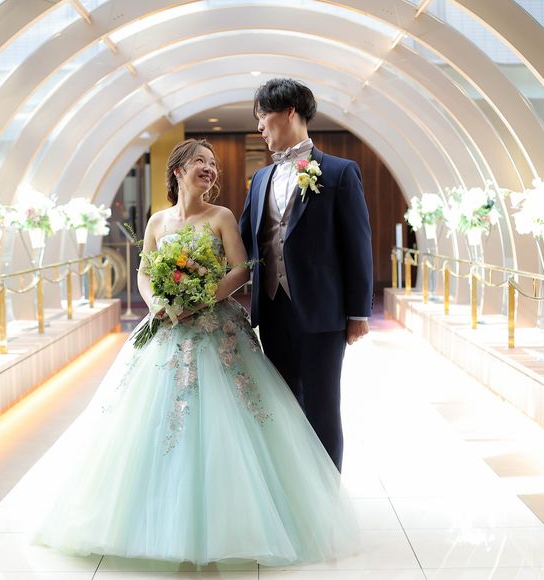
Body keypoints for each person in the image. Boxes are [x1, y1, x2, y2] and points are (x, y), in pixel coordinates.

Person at [30, 138, 359, 565]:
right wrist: (157, 302)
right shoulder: (157, 221)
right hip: (167, 327)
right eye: (200, 161)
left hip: (214, 327)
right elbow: (144, 271)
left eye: (213, 164)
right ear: (178, 170)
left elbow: (240, 270)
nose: (210, 169)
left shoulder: (221, 217)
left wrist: (201, 298)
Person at [240, 78, 373, 472]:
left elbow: (358, 245)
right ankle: (294, 490)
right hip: (272, 311)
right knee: (283, 407)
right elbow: (245, 240)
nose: (259, 126)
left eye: (263, 116)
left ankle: (327, 495)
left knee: (322, 408)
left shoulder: (340, 172)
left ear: (289, 112)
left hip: (323, 315)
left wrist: (358, 313)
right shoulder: (260, 179)